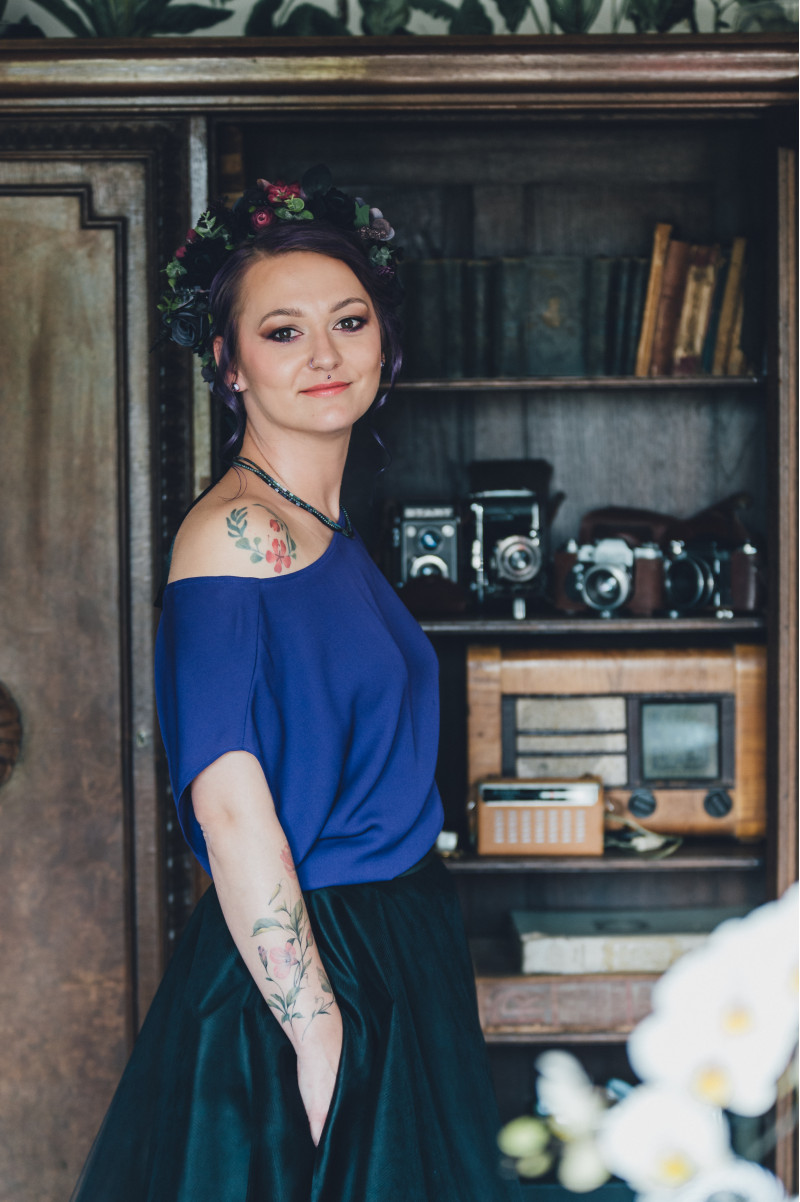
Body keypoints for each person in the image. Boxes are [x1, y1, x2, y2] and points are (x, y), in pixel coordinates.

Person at [70, 166, 523, 1202]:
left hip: (393, 940)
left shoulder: (321, 527)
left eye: (348, 321)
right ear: (227, 363)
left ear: (383, 342)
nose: (324, 354)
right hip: (317, 964)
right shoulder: (238, 534)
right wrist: (317, 1033)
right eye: (283, 331)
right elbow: (229, 806)